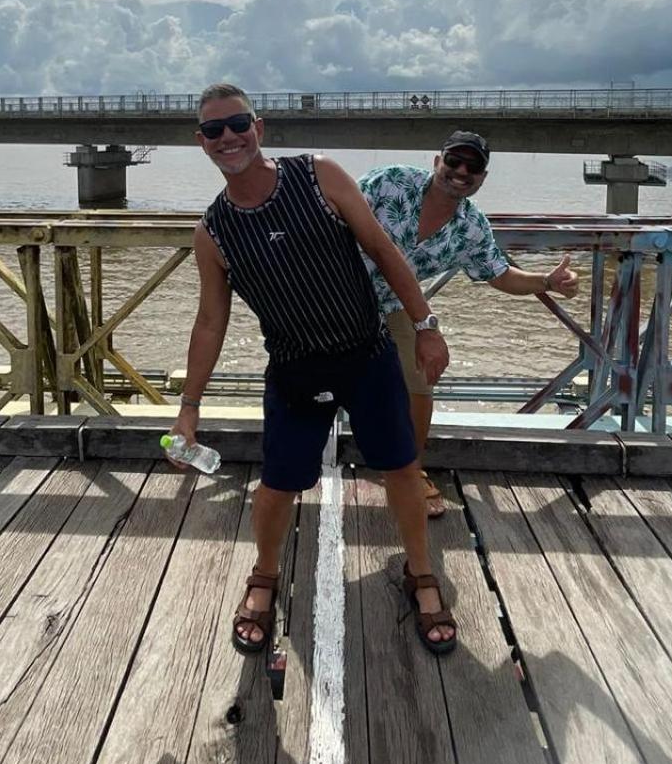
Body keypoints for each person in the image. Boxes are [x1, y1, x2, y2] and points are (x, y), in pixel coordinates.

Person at [168, 83, 459, 655]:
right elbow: (209, 321)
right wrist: (188, 407)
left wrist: (426, 326)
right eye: (213, 130)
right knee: (277, 484)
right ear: (201, 143)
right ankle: (265, 575)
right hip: (295, 369)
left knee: (401, 468)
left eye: (238, 123)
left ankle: (421, 573)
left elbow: (381, 248)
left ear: (260, 127)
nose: (228, 137)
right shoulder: (214, 231)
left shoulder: (318, 175)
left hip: (366, 354)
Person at [360, 130, 579, 517]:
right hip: (333, 293)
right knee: (309, 376)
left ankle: (410, 470)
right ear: (436, 161)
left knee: (422, 373)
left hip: (393, 304)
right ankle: (292, 466)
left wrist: (547, 281)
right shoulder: (390, 182)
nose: (461, 171)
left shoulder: (472, 227)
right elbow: (328, 214)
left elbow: (498, 274)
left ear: (482, 177)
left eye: (473, 166)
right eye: (454, 161)